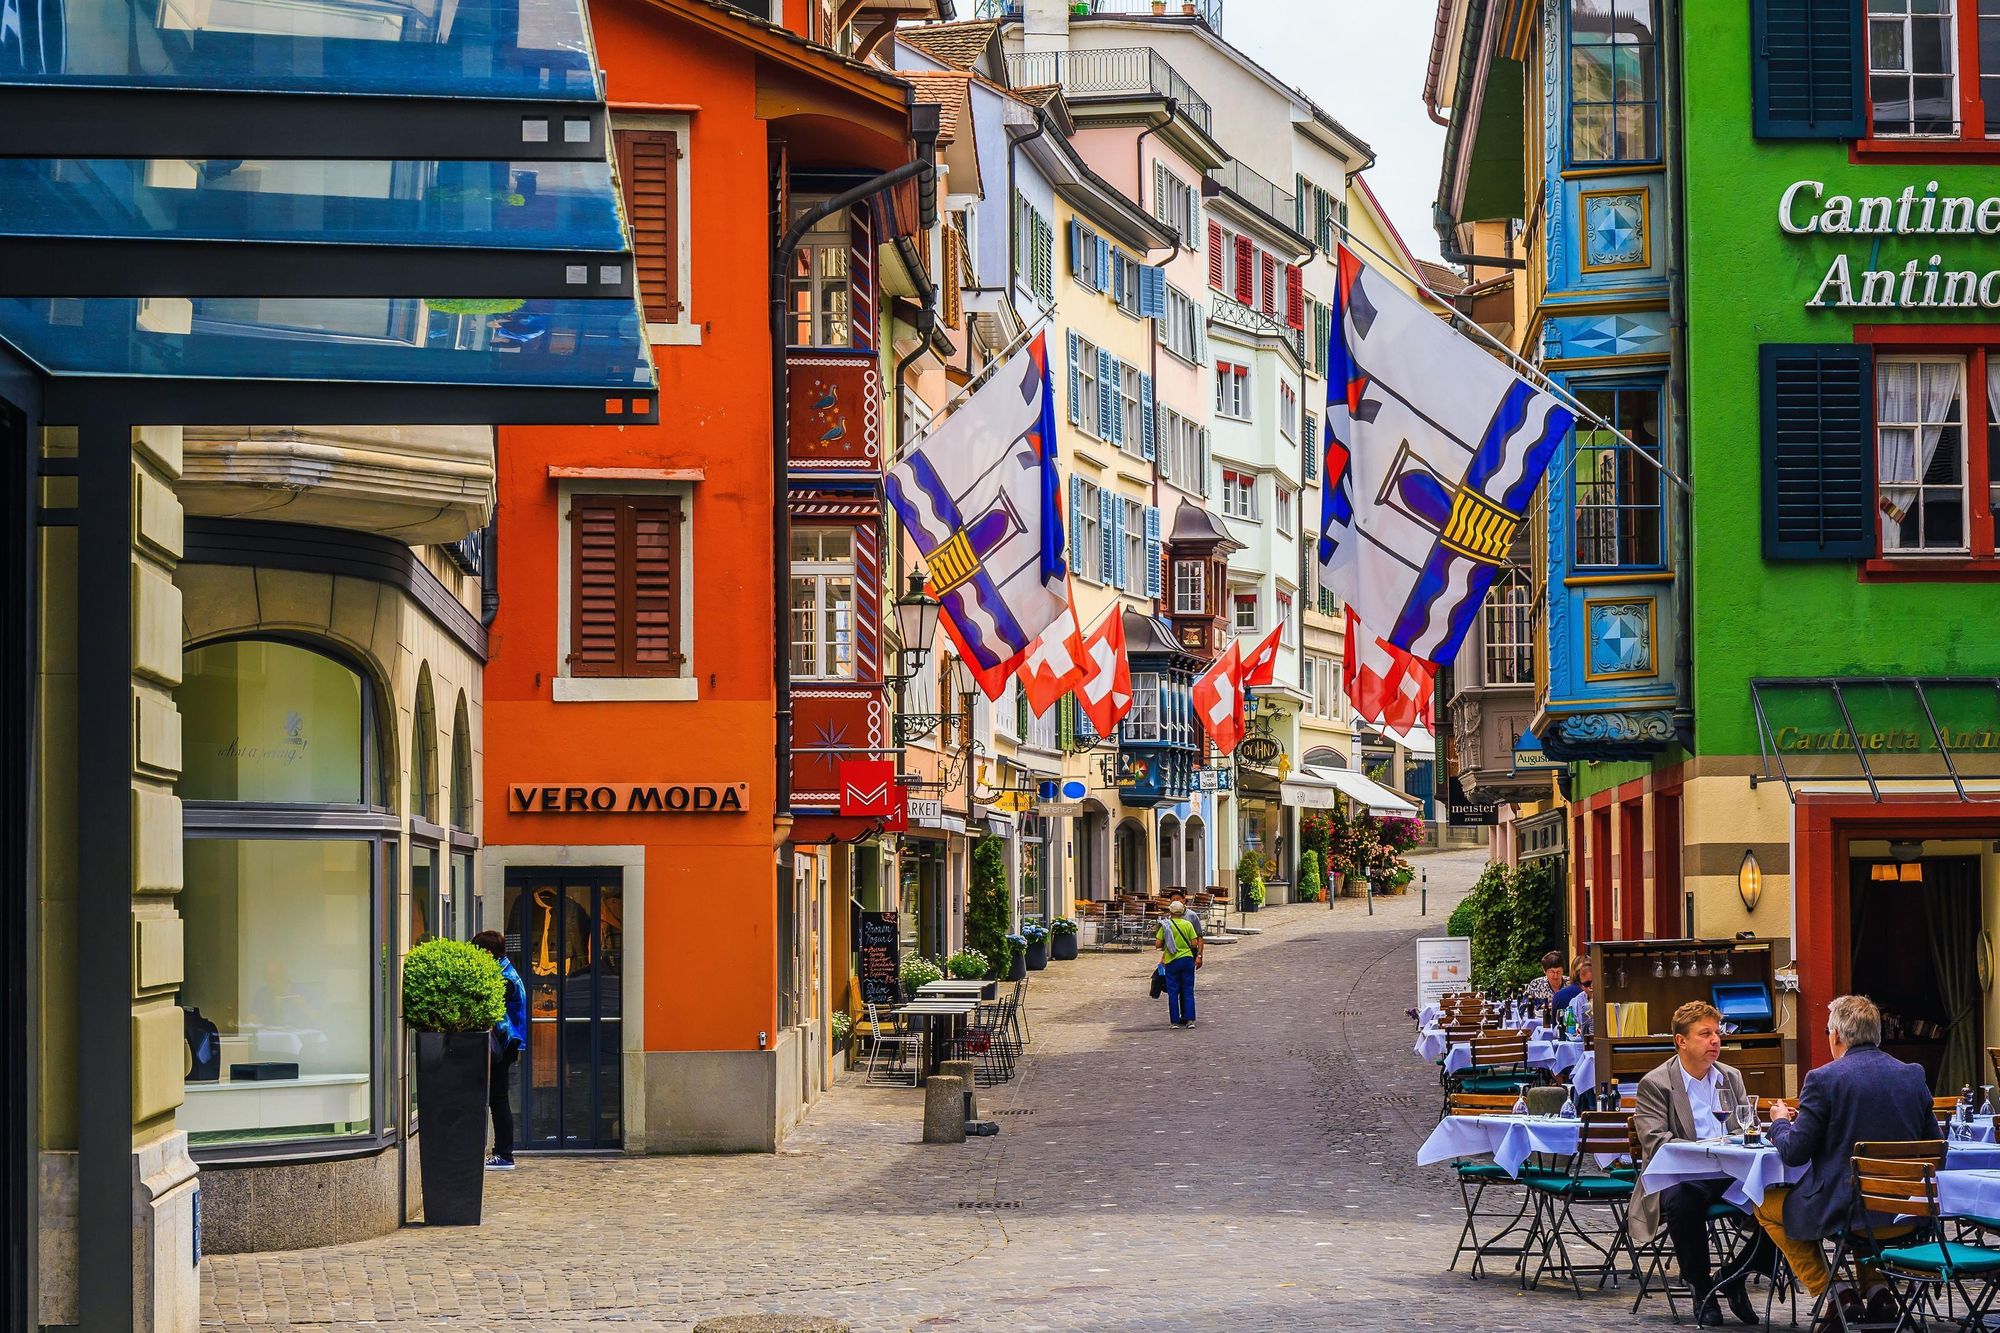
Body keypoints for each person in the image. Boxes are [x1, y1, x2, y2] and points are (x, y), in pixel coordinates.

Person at [1756, 994, 1934, 1332]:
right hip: (1907, 1214)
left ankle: (1835, 1292)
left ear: (1836, 1035)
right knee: (1861, 1200)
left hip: (1847, 1215)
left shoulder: (1824, 1079)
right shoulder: (1912, 1074)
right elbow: (1934, 1145)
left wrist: (1779, 1121)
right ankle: (1879, 1289)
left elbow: (1794, 1152)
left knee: (1764, 1204)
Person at [1633, 1000, 1763, 1327]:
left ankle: (1734, 1276)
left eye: (1717, 1033)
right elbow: (1655, 1141)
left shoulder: (1730, 1078)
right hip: (1682, 1175)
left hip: (1729, 1175)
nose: (1715, 1041)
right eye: (1705, 1034)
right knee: (1683, 1199)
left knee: (1782, 1199)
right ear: (1682, 1041)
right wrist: (1705, 1150)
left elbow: (1743, 1127)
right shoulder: (1657, 1083)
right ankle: (1701, 1286)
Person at [472, 930, 528, 1170]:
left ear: (486, 953)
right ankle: (503, 1153)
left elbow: (490, 1008)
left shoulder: (504, 978)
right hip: (505, 1044)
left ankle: (504, 1154)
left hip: (503, 1045)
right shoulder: (504, 972)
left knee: (498, 1099)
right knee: (498, 1099)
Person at [1156, 901, 1202, 1028]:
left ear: (1170, 912)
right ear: (1182, 912)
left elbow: (1158, 944)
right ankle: (1189, 1020)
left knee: (1173, 991)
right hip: (1187, 959)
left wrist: (1168, 943)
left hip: (1172, 960)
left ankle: (1175, 1021)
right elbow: (1194, 943)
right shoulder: (1187, 925)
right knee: (1188, 990)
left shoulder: (1166, 925)